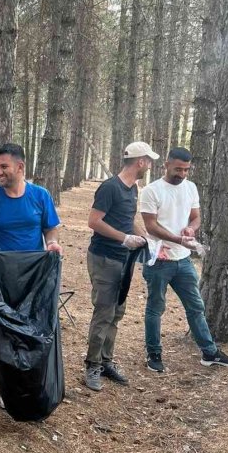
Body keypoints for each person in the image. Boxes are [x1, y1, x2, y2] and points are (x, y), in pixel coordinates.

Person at [140, 147, 228, 373]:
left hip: (183, 260)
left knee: (196, 306)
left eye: (186, 170)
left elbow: (196, 217)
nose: (182, 174)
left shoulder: (191, 187)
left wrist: (190, 229)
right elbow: (150, 225)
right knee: (156, 308)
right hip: (159, 259)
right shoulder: (151, 190)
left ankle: (209, 352)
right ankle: (153, 354)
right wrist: (177, 238)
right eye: (178, 169)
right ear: (166, 164)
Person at [84, 141, 157, 392]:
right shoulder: (110, 188)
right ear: (140, 162)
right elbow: (94, 221)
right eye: (148, 160)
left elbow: (128, 221)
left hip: (124, 260)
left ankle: (106, 361)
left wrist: (147, 239)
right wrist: (123, 238)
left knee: (117, 312)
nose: (149, 164)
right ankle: (92, 365)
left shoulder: (133, 188)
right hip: (104, 258)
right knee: (104, 312)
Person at [0, 143, 62, 256]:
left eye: (4, 167)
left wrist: (52, 242)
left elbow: (50, 229)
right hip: (1, 269)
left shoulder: (41, 195)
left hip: (35, 268)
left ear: (20, 167)